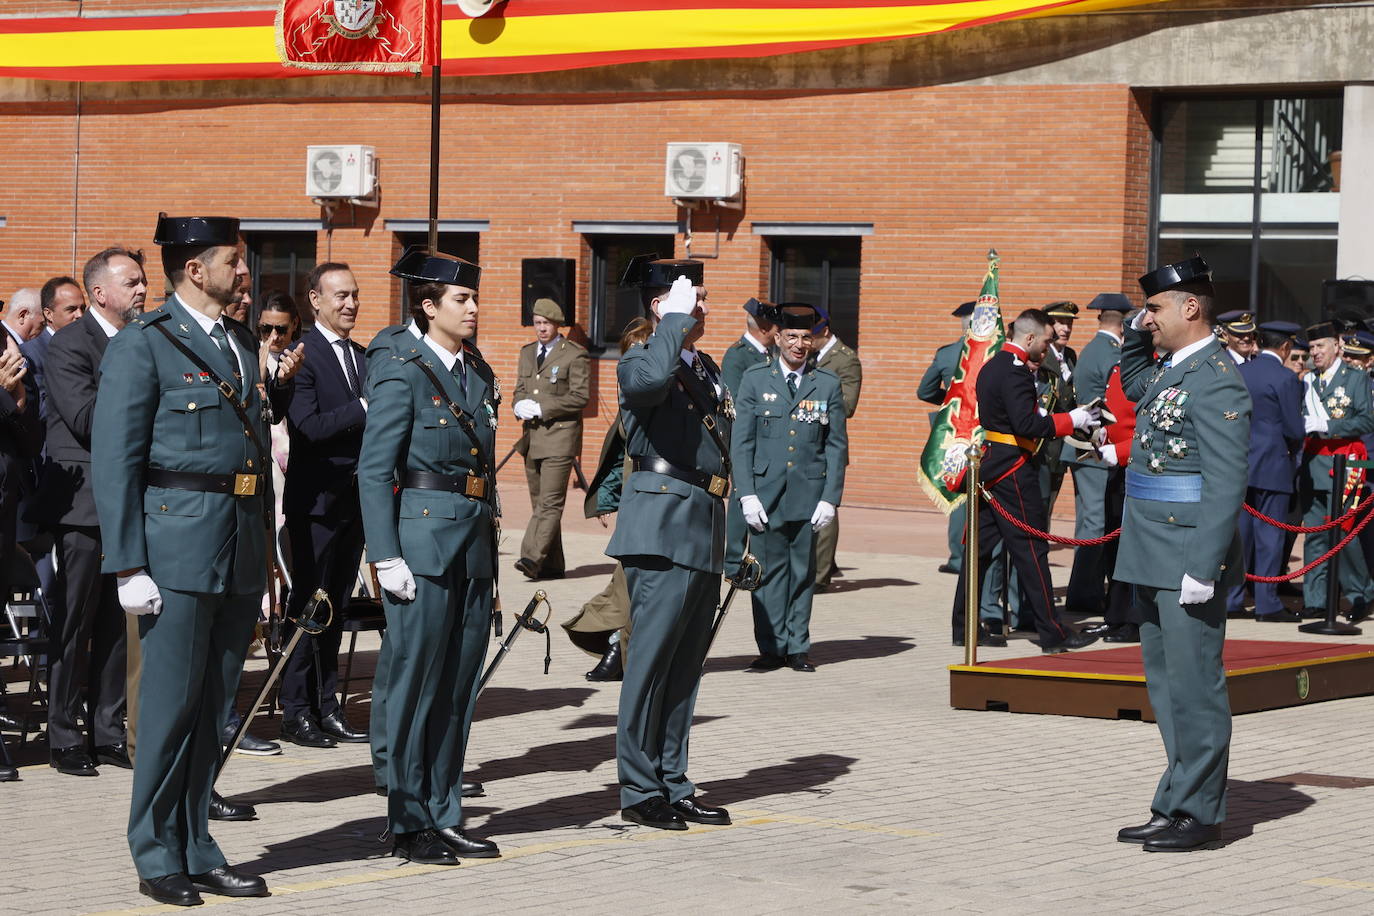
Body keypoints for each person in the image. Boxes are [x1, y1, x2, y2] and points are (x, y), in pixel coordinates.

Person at [92, 215, 299, 905]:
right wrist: (128, 564)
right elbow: (116, 461)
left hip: (238, 546)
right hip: (175, 549)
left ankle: (196, 844)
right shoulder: (143, 347)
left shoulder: (239, 341)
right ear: (195, 270)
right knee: (168, 712)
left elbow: (253, 460)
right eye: (233, 261)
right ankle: (155, 855)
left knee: (213, 711)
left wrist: (267, 557)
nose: (245, 273)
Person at [358, 246, 501, 865]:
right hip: (421, 543)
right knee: (416, 685)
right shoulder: (402, 368)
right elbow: (374, 470)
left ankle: (445, 812)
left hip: (471, 545)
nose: (472, 308)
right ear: (428, 304)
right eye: (460, 299)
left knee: (457, 688)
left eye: (472, 298)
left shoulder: (478, 373)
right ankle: (408, 817)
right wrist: (384, 554)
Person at [1113, 255, 1250, 853]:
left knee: (1195, 685)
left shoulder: (1217, 375)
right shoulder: (1175, 370)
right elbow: (1135, 383)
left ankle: (1201, 813)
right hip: (1151, 543)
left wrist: (1205, 563)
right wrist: (1134, 334)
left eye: (1156, 308)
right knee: (1166, 685)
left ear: (1190, 307)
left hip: (1186, 548)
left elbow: (1226, 480)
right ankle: (1175, 802)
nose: (1148, 318)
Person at [605, 256, 732, 831]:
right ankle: (638, 788)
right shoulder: (641, 360)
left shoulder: (702, 366)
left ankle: (673, 779)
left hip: (703, 521)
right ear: (663, 306)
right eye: (693, 298)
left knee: (686, 667)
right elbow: (650, 384)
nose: (702, 308)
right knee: (651, 664)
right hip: (661, 524)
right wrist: (672, 324)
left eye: (701, 299)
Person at [41, 248, 148, 779]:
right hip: (84, 504)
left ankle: (107, 730)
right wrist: (131, 368)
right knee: (75, 619)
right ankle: (61, 733)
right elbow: (84, 417)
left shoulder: (145, 339)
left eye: (144, 280)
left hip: (130, 501)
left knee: (115, 620)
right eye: (131, 282)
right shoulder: (70, 345)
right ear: (100, 293)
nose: (142, 290)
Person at [948, 309, 1099, 654]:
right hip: (1013, 468)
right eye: (1045, 340)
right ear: (1029, 338)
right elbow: (1027, 426)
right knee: (1032, 550)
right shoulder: (1015, 372)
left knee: (980, 552)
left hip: (992, 465)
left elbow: (1012, 415)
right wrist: (1070, 418)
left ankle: (963, 626)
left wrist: (1047, 416)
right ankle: (1052, 633)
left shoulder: (993, 366)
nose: (1047, 347)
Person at [280, 262, 370, 748]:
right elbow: (309, 427)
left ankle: (326, 705)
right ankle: (295, 711)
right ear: (315, 300)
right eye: (340, 296)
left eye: (354, 294)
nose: (350, 303)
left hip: (354, 502)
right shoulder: (302, 354)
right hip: (316, 501)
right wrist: (365, 409)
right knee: (306, 607)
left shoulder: (362, 354)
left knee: (334, 609)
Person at [733, 303, 847, 672]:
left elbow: (836, 445)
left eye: (806, 337)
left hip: (807, 494)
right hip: (765, 494)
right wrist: (746, 493)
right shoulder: (754, 378)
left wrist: (830, 498)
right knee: (766, 573)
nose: (799, 344)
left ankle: (797, 646)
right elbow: (743, 443)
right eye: (792, 337)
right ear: (778, 338)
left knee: (802, 573)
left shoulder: (826, 384)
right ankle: (770, 646)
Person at [561, 317, 655, 683]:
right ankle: (618, 642)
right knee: (631, 574)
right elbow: (620, 453)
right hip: (636, 498)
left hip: (663, 500)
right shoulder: (632, 399)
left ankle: (616, 640)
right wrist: (609, 499)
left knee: (635, 577)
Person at [1225, 321, 1304, 623]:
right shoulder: (1285, 377)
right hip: (1273, 464)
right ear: (1285, 347)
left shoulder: (1240, 372)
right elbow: (1294, 428)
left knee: (1240, 535)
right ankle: (1266, 603)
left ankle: (1232, 599)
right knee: (1269, 536)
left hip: (1241, 463)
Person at [1298, 321, 1374, 619]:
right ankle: (1315, 599)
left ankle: (1360, 594)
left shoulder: (1355, 378)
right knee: (1315, 533)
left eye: (1321, 346)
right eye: (1312, 347)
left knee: (1344, 533)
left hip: (1342, 463)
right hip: (1313, 461)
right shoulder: (1308, 380)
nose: (1315, 352)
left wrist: (1329, 426)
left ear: (1336, 347)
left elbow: (1367, 421)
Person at [1063, 293, 1132, 616]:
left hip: (1090, 445)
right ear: (1122, 325)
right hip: (1093, 445)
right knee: (1094, 523)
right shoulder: (1108, 353)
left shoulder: (1096, 350)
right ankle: (1085, 595)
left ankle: (1086, 590)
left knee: (1093, 521)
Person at [512, 297, 589, 580]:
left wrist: (544, 408)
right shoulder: (527, 352)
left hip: (560, 438)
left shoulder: (574, 354)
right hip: (532, 439)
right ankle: (553, 565)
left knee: (550, 503)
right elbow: (520, 388)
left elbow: (580, 396)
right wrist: (518, 404)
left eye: (546, 323)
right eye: (537, 323)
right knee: (539, 503)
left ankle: (531, 557)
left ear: (557, 325)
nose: (541, 329)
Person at [919, 301, 975, 575]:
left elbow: (924, 391)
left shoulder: (946, 354)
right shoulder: (995, 352)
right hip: (983, 429)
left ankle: (957, 557)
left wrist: (950, 401)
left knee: (956, 490)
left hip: (953, 431)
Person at [721, 297, 776, 572]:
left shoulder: (770, 355)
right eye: (777, 326)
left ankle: (756, 555)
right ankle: (732, 561)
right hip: (746, 437)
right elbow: (736, 401)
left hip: (769, 439)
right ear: (765, 328)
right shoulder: (738, 354)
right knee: (742, 492)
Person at [810, 306, 861, 589]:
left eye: (811, 335)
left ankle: (820, 575)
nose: (806, 341)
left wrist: (809, 401)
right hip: (803, 441)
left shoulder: (846, 360)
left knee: (825, 506)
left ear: (824, 331)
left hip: (828, 441)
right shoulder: (807, 355)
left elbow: (848, 405)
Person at [1038, 300, 1079, 512]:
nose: (1066, 328)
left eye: (1069, 323)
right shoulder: (1040, 356)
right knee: (1038, 503)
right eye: (1060, 322)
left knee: (1050, 503)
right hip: (1041, 444)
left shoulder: (1070, 356)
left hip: (1061, 443)